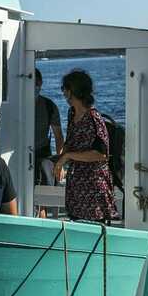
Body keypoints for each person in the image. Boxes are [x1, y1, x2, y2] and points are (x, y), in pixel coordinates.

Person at [54, 70, 117, 222]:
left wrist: (68, 157)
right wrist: (60, 160)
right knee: (76, 228)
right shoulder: (71, 113)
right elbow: (70, 142)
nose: (63, 93)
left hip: (94, 187)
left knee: (95, 231)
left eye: (65, 89)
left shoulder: (94, 118)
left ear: (71, 91)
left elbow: (101, 154)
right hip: (77, 186)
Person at [34, 68, 64, 185]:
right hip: (19, 153)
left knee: (47, 180)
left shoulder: (49, 106)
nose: (34, 87)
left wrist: (60, 163)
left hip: (42, 154)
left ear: (41, 83)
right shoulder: (17, 106)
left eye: (37, 84)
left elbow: (58, 136)